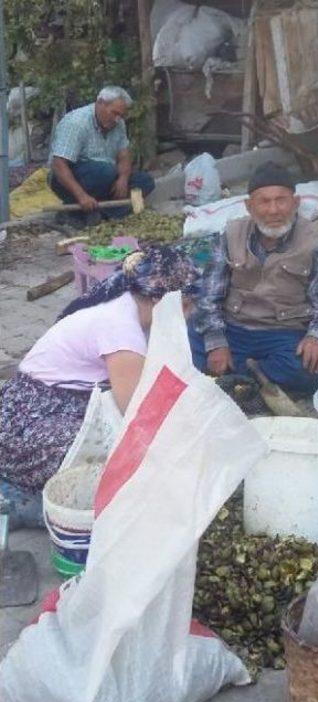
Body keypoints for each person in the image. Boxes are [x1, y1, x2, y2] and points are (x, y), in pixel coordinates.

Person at [0, 247, 201, 528]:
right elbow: (137, 414)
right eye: (188, 304)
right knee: (117, 464)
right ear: (165, 302)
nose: (189, 313)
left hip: (39, 404)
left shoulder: (123, 300)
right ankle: (17, 498)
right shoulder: (121, 330)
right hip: (27, 426)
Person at [188, 162, 318, 393]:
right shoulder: (230, 235)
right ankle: (255, 377)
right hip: (234, 328)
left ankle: (235, 378)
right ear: (249, 207)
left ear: (296, 203)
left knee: (304, 367)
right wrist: (216, 343)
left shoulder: (314, 241)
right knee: (187, 340)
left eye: (281, 200)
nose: (273, 210)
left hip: (283, 333)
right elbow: (210, 296)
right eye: (264, 201)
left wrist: (316, 338)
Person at [49, 86, 155, 225]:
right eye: (114, 113)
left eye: (120, 115)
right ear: (100, 103)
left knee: (145, 181)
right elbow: (59, 165)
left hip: (105, 177)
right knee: (106, 172)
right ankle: (74, 209)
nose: (117, 119)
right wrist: (81, 196)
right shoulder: (76, 123)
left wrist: (123, 179)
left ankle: (98, 213)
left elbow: (124, 155)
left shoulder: (118, 123)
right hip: (70, 179)